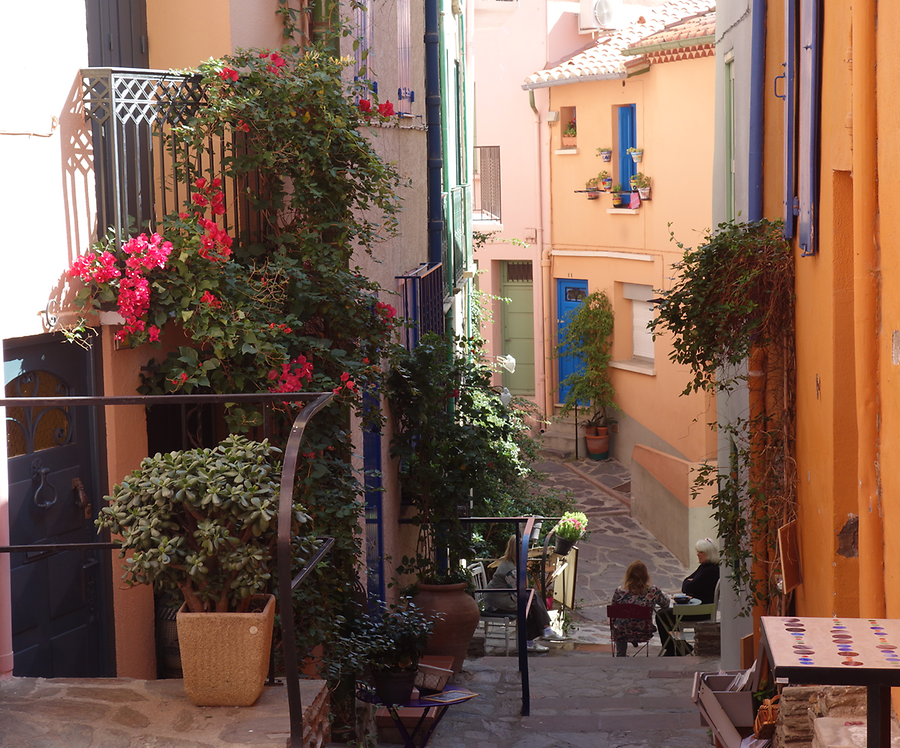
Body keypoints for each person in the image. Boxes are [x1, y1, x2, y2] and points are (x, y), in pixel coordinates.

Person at [485, 535, 562, 653]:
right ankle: (542, 633)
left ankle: (533, 640)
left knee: (531, 600)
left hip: (502, 598)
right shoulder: (511, 570)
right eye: (524, 550)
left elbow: (522, 589)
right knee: (530, 602)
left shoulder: (510, 563)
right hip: (497, 604)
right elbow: (520, 593)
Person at [656, 537, 721, 656]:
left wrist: (690, 583)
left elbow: (688, 587)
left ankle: (676, 648)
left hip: (700, 610)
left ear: (708, 553)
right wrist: (690, 583)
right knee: (665, 614)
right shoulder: (705, 567)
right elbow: (686, 583)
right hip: (696, 607)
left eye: (701, 552)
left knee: (662, 615)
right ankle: (679, 647)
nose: (698, 554)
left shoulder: (710, 570)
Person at [610, 560, 670, 657]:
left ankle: (621, 655)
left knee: (620, 625)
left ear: (628, 574)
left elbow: (613, 612)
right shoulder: (653, 591)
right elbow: (665, 604)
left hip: (622, 632)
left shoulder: (619, 591)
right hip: (642, 631)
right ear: (645, 575)